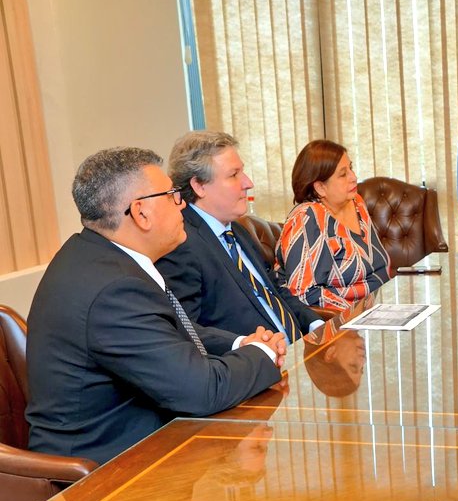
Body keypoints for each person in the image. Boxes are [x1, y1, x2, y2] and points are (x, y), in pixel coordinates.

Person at [26, 148, 285, 465]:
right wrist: (264, 354)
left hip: (146, 446)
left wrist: (242, 344)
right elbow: (201, 391)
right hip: (104, 475)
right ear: (140, 213)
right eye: (174, 195)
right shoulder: (114, 289)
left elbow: (167, 335)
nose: (182, 205)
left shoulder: (97, 257)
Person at [157, 131, 322, 343]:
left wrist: (316, 324)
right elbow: (186, 329)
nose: (248, 182)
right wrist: (244, 345)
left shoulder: (236, 229)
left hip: (299, 351)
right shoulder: (180, 242)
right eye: (234, 175)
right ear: (199, 186)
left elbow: (275, 291)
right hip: (255, 366)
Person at [275, 139, 391, 317]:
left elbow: (379, 266)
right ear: (320, 187)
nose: (353, 177)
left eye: (351, 168)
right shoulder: (306, 219)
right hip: (336, 324)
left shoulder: (356, 203)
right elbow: (303, 294)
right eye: (343, 174)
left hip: (377, 310)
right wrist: (356, 313)